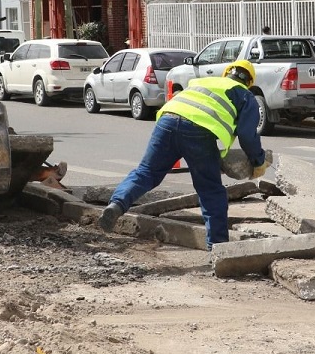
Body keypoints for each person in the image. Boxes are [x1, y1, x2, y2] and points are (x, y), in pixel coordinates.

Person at [98, 60, 269, 250]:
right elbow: (247, 135)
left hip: (167, 122)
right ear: (249, 81)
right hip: (198, 132)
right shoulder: (245, 95)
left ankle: (117, 205)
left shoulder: (202, 82)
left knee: (146, 172)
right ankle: (218, 248)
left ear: (227, 73)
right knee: (210, 190)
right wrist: (258, 160)